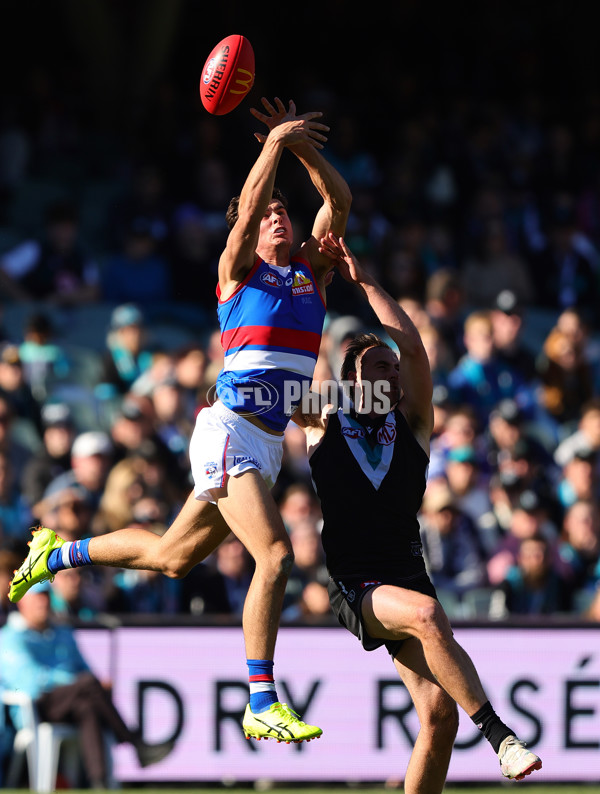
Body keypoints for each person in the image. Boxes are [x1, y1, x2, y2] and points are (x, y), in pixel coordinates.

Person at [9, 97, 352, 744]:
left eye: (286, 212)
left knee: (171, 558)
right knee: (275, 557)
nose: (279, 217)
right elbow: (248, 206)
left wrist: (300, 147)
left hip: (266, 444)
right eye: (269, 214)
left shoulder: (311, 274)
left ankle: (58, 552)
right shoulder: (237, 273)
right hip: (229, 431)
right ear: (249, 236)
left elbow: (340, 200)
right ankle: (261, 697)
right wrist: (272, 144)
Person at [294, 234, 542, 787]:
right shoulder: (322, 420)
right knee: (430, 617)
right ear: (351, 380)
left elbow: (414, 348)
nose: (393, 374)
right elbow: (284, 377)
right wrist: (310, 290)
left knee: (438, 716)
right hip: (357, 583)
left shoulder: (414, 425)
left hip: (408, 575)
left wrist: (366, 282)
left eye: (392, 367)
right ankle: (501, 736)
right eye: (379, 368)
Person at [0, 581, 174, 788]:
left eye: (46, 596)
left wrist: (91, 683)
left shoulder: (63, 633)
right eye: (37, 597)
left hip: (71, 700)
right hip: (36, 707)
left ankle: (99, 782)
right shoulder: (10, 638)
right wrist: (77, 681)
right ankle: (134, 742)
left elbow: (84, 667)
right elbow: (30, 681)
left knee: (88, 706)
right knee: (88, 685)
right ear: (22, 602)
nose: (43, 603)